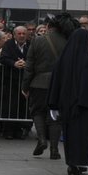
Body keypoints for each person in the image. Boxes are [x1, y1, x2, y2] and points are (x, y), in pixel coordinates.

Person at [45, 14, 88, 175]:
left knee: (69, 134)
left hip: (67, 104)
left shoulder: (63, 60)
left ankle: (71, 162)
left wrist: (53, 104)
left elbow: (55, 83)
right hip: (85, 105)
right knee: (82, 135)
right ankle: (79, 162)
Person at [24, 17, 63, 158]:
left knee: (37, 112)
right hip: (59, 83)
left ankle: (41, 140)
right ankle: (54, 149)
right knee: (55, 116)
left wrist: (25, 85)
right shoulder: (67, 41)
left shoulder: (38, 41)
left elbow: (29, 66)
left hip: (39, 82)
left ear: (47, 26)